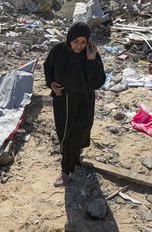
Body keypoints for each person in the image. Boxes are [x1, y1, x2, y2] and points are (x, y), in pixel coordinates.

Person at [43, 22, 106, 187]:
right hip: (63, 101)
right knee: (66, 135)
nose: (79, 45)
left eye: (83, 42)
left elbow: (98, 82)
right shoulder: (58, 51)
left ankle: (74, 154)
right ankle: (66, 170)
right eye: (75, 41)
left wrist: (91, 61)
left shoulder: (91, 54)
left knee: (80, 132)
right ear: (69, 38)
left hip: (84, 101)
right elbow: (48, 67)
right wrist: (51, 84)